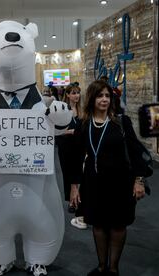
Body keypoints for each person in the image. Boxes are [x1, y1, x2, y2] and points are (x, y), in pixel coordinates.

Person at [70, 80, 145, 276]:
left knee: (118, 225)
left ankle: (113, 268)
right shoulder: (84, 124)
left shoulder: (121, 122)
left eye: (107, 96)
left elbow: (136, 152)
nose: (104, 99)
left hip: (120, 183)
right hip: (93, 183)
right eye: (99, 95)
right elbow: (76, 158)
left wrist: (139, 180)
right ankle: (101, 266)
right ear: (92, 98)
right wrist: (74, 186)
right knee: (98, 224)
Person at [56, 83, 87, 230]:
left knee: (79, 173)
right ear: (67, 95)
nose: (76, 96)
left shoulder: (83, 110)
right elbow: (56, 132)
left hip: (80, 146)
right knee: (68, 174)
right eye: (73, 93)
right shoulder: (62, 109)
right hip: (66, 147)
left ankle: (79, 198)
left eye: (78, 93)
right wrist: (71, 132)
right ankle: (71, 201)